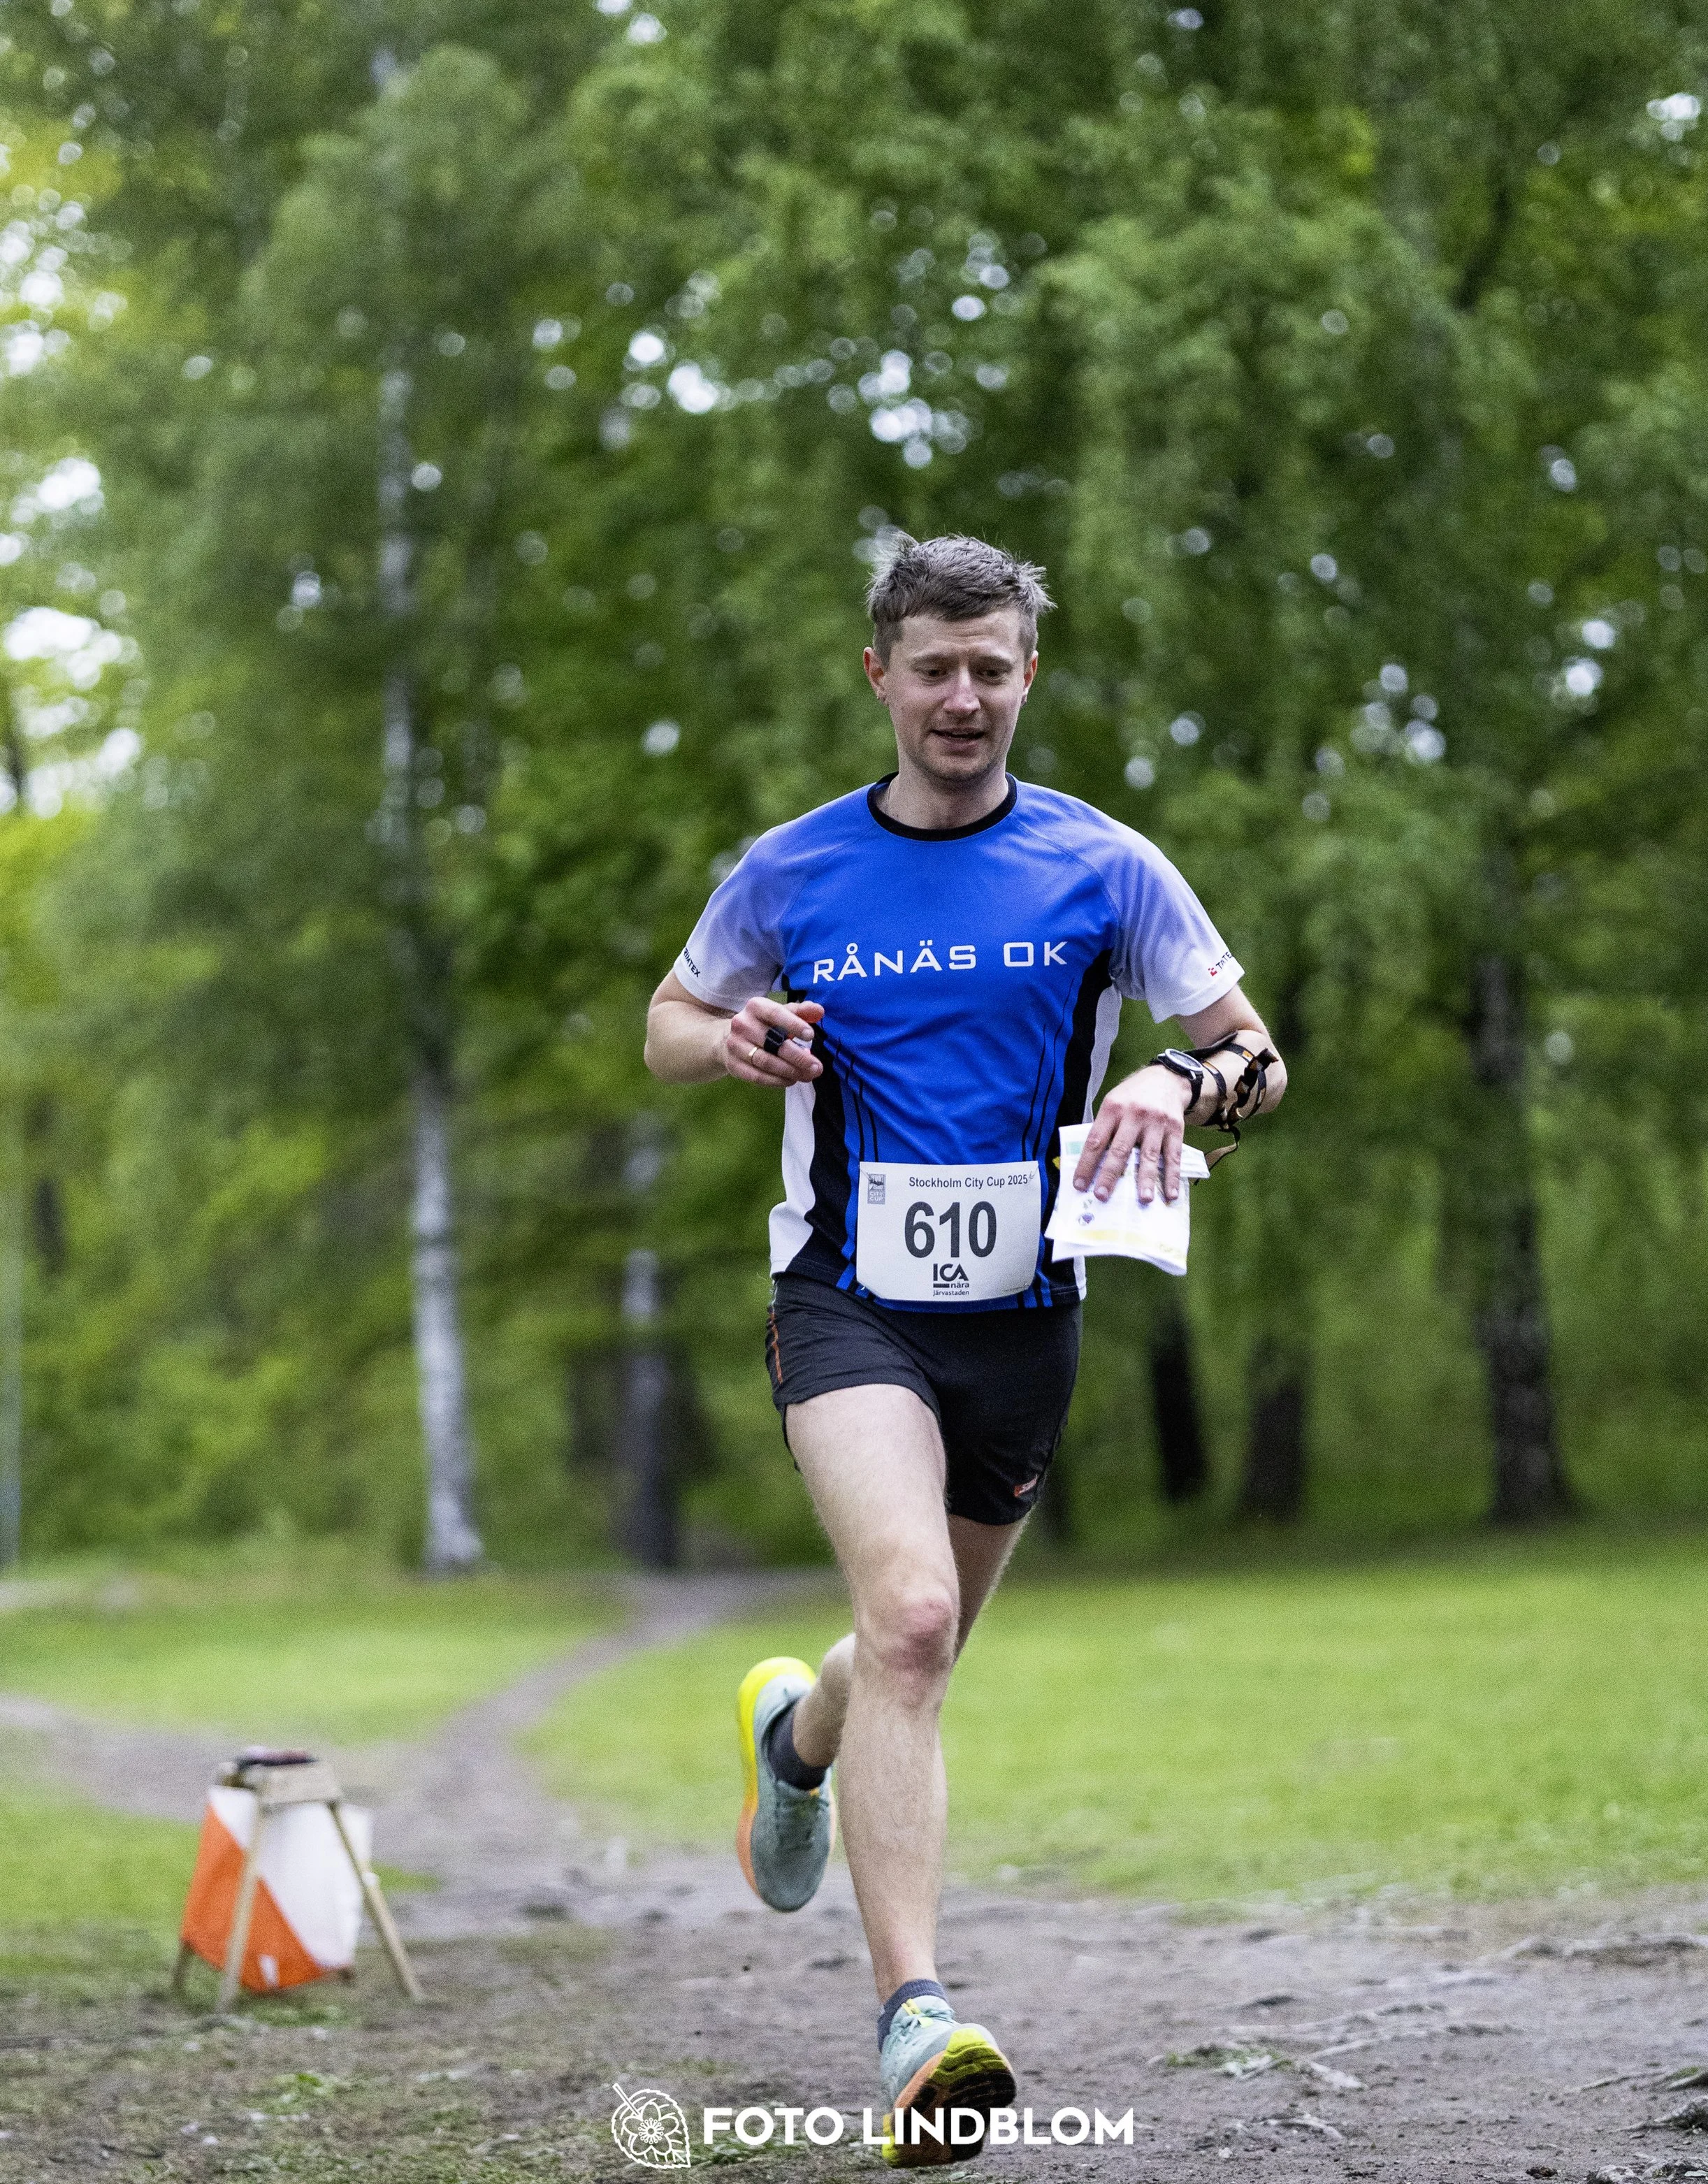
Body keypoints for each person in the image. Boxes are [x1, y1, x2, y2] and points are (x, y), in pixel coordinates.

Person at [644, 533, 1285, 2165]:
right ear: (878, 674)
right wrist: (726, 1039)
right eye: (931, 665)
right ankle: (913, 2016)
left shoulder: (1105, 865)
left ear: (1025, 676)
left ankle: (794, 1742)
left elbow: (1256, 1055)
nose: (962, 695)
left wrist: (1170, 1081)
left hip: (1025, 1320)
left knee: (909, 1649)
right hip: (841, 1299)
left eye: (990, 665)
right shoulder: (789, 871)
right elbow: (664, 1019)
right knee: (914, 1614)